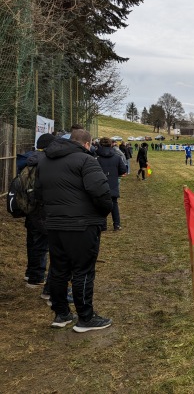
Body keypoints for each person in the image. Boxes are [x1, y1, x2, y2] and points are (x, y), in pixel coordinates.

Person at [36, 128, 113, 332]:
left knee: (59, 270)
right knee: (83, 270)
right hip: (82, 225)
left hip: (54, 225)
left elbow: (38, 192)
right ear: (87, 144)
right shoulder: (86, 160)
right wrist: (103, 212)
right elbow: (101, 192)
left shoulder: (44, 161)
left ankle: (61, 313)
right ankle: (85, 318)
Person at [23, 133, 55, 290]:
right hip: (42, 207)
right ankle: (36, 277)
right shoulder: (47, 162)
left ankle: (30, 273)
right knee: (42, 245)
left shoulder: (29, 159)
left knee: (32, 241)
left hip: (30, 206)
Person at [96, 137, 127, 231]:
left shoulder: (96, 158)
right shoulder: (117, 157)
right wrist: (114, 174)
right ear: (111, 145)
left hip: (100, 184)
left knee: (101, 205)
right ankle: (116, 225)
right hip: (113, 183)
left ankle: (103, 225)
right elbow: (123, 170)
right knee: (114, 205)